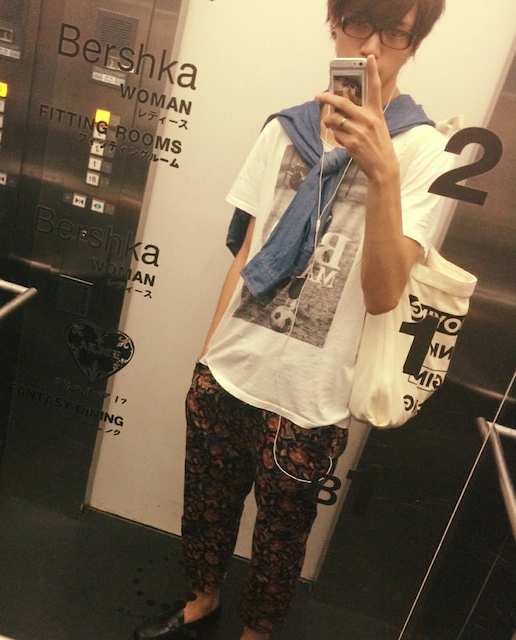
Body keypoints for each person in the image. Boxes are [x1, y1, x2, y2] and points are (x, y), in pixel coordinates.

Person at [134, 1, 453, 638]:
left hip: (311, 396)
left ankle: (257, 631)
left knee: (282, 537)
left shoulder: (421, 153)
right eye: (361, 23)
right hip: (230, 370)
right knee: (206, 508)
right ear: (334, 22)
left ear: (415, 43)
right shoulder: (285, 130)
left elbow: (384, 293)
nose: (372, 49)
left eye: (396, 33)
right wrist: (206, 361)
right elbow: (247, 253)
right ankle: (202, 598)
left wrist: (382, 173)